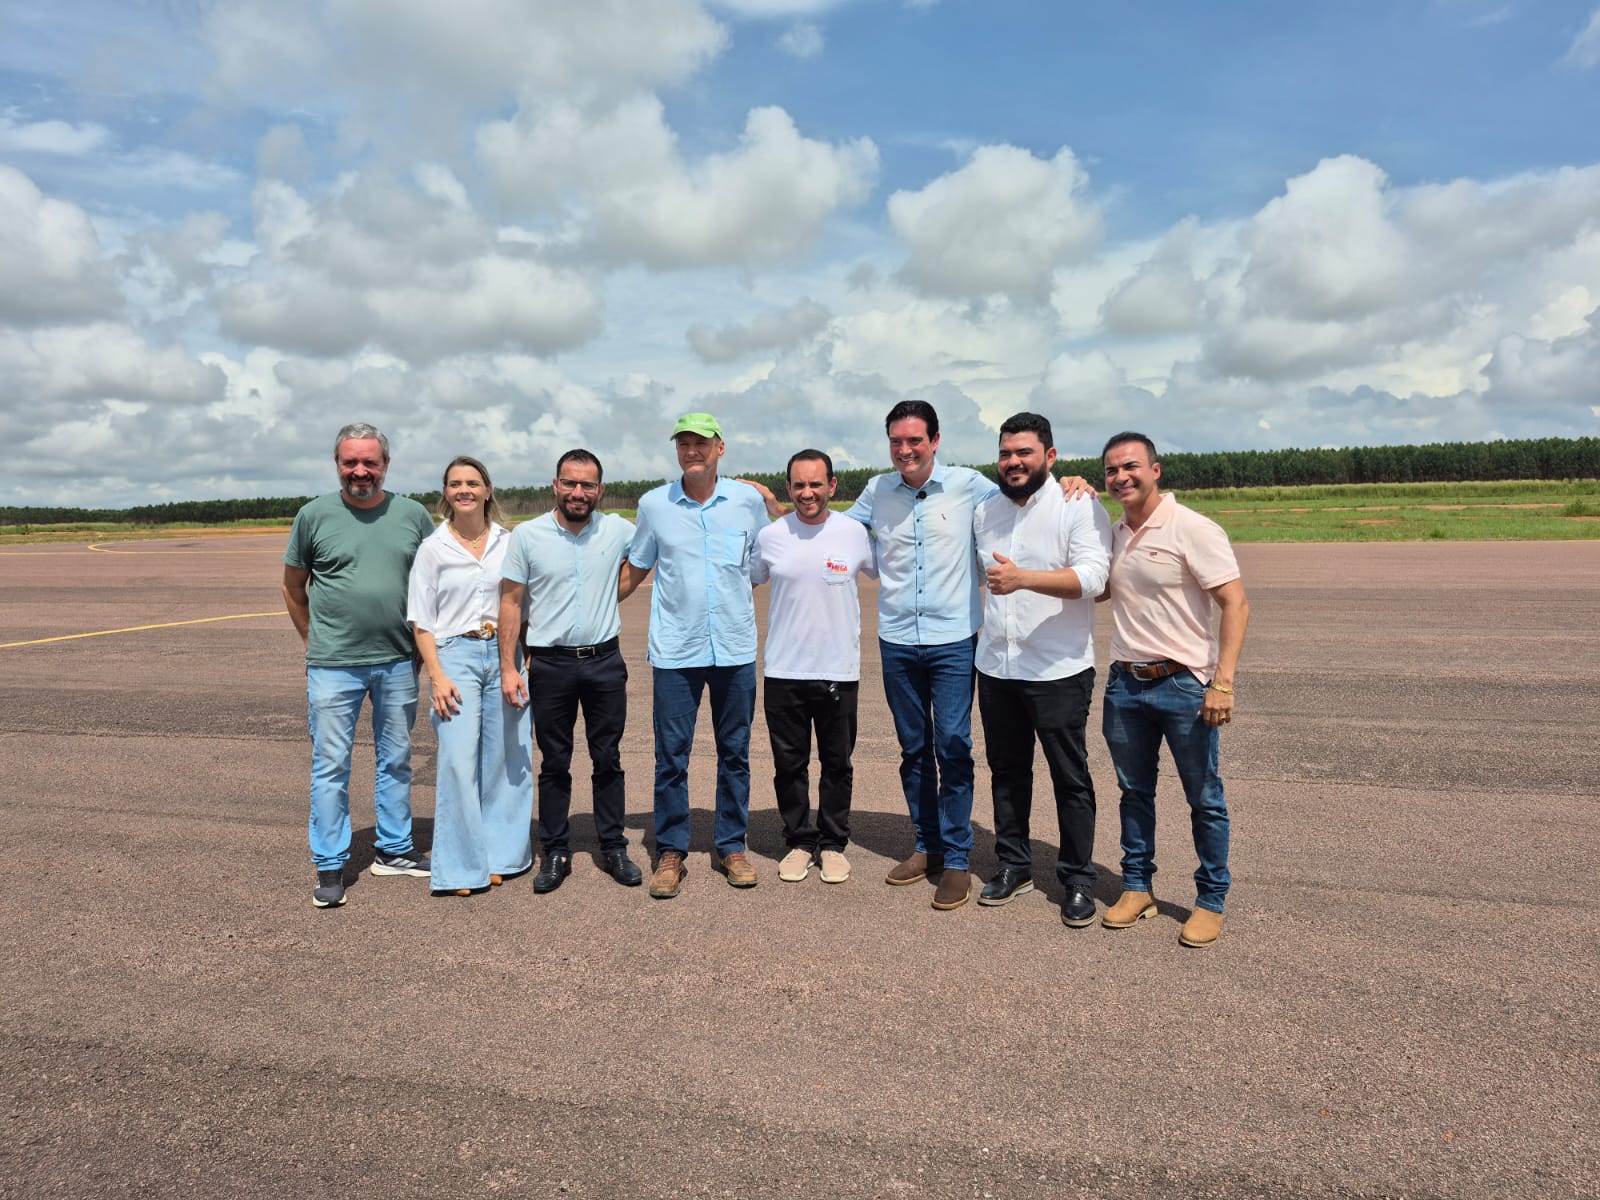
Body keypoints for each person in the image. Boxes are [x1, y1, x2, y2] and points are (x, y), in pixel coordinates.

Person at [840, 400, 997, 910]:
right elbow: (836, 530)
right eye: (895, 441)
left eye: (914, 441)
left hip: (953, 639)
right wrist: (778, 511)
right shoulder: (877, 491)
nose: (904, 450)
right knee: (913, 747)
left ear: (935, 440)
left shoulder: (970, 485)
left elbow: (1022, 505)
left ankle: (956, 858)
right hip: (898, 641)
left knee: (952, 743)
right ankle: (926, 845)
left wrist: (1068, 486)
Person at [1098, 431, 1251, 949]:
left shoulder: (1192, 528)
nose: (1121, 477)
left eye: (1131, 466)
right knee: (1133, 792)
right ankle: (1138, 887)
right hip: (1125, 685)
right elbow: (1094, 586)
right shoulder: (1115, 532)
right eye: (1111, 470)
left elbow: (1236, 603)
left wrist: (1222, 684)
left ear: (1156, 469)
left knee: (1204, 797)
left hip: (1185, 684)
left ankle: (1210, 900)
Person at [283, 422, 437, 908]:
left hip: (397, 661)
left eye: (370, 462)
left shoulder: (412, 514)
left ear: (385, 465)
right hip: (334, 666)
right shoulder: (313, 516)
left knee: (395, 759)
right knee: (331, 765)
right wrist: (313, 639)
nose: (360, 471)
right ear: (337, 464)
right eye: (351, 462)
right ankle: (330, 863)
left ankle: (394, 850)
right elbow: (292, 586)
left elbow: (434, 582)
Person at [621, 413, 769, 899]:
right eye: (684, 443)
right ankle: (671, 851)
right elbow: (636, 567)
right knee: (671, 757)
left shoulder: (747, 502)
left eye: (701, 443)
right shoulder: (654, 504)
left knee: (735, 754)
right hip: (676, 653)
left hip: (734, 649)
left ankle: (731, 845)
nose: (692, 451)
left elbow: (764, 565)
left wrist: (772, 499)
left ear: (720, 448)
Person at [972, 413, 1111, 926]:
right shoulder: (984, 511)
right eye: (1006, 452)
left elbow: (1095, 577)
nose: (1013, 462)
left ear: (1049, 457)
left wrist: (1024, 578)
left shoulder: (1078, 503)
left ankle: (1077, 878)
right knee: (1007, 773)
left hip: (1058, 668)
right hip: (998, 667)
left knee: (1069, 777)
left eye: (1024, 452)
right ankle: (1014, 864)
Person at [498, 449, 643, 892]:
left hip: (604, 662)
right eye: (570, 483)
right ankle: (556, 850)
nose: (579, 492)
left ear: (600, 489)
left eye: (587, 485)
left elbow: (646, 558)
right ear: (556, 485)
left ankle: (613, 846)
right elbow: (511, 601)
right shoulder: (528, 536)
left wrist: (611, 595)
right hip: (551, 664)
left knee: (608, 758)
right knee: (554, 762)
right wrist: (508, 667)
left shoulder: (619, 530)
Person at [749, 450, 877, 885]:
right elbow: (750, 578)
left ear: (832, 486)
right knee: (790, 764)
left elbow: (888, 573)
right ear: (789, 488)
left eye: (816, 484)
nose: (808, 493)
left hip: (838, 669)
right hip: (784, 669)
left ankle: (834, 842)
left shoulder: (854, 533)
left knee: (837, 763)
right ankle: (801, 841)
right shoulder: (771, 536)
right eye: (799, 485)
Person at [407, 455, 531, 896]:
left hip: (503, 654)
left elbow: (521, 603)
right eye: (456, 483)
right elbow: (421, 621)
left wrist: (520, 661)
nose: (465, 490)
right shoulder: (432, 548)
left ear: (487, 490)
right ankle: (460, 868)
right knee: (459, 761)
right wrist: (436, 675)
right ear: (446, 492)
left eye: (473, 483)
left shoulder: (509, 542)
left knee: (505, 759)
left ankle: (500, 857)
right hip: (455, 653)